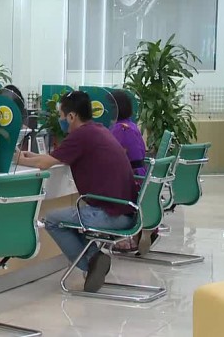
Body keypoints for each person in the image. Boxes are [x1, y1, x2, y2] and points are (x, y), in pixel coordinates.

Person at [18, 91, 137, 293]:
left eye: (61, 116)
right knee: (67, 219)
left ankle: (92, 261)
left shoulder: (81, 135)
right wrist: (30, 157)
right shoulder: (97, 130)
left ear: (71, 116)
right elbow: (53, 158)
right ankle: (94, 260)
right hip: (126, 212)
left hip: (110, 215)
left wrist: (18, 160)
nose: (60, 120)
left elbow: (45, 164)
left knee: (52, 220)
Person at [109, 89, 152, 253]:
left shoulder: (119, 129)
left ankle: (117, 236)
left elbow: (111, 156)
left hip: (131, 181)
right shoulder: (131, 125)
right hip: (140, 177)